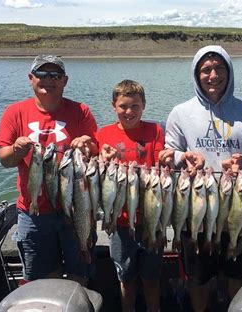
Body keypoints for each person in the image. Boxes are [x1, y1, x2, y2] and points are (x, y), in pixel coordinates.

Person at [159, 45, 242, 311]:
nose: (213, 75)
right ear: (196, 75)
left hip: (240, 203)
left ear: (229, 72)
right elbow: (168, 152)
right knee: (199, 277)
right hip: (195, 204)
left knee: (237, 274)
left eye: (219, 68)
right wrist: (184, 158)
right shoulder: (180, 112)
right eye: (205, 69)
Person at [0, 55, 99, 286]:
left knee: (79, 273)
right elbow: (5, 160)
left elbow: (96, 151)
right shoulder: (15, 112)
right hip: (34, 214)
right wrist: (16, 149)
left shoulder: (81, 111)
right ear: (31, 78)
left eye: (55, 75)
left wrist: (87, 144)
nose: (48, 80)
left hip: (76, 207)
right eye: (42, 74)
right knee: (41, 278)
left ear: (65, 80)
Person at [96, 79, 165, 312]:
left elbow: (159, 162)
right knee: (126, 278)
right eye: (123, 106)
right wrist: (102, 160)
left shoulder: (155, 131)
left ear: (144, 106)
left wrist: (167, 159)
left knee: (151, 277)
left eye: (135, 106)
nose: (129, 112)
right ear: (113, 106)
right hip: (120, 222)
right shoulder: (102, 134)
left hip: (151, 219)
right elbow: (95, 175)